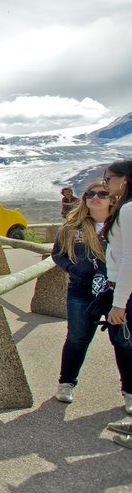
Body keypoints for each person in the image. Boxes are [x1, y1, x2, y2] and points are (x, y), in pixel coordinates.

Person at [51, 181, 111, 405]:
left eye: (102, 194)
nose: (95, 197)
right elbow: (58, 253)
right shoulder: (71, 227)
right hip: (82, 289)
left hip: (116, 290)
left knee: (125, 342)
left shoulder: (120, 225)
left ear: (112, 198)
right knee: (77, 337)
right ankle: (66, 383)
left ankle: (129, 391)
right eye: (90, 194)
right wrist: (73, 269)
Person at [101, 160, 132, 449]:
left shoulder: (128, 209)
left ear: (125, 180)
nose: (105, 183)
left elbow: (129, 260)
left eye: (109, 178)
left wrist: (119, 303)